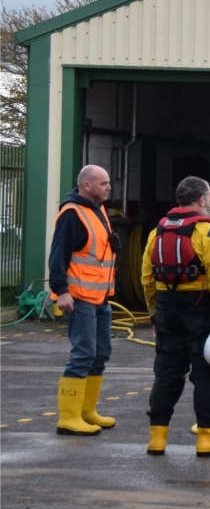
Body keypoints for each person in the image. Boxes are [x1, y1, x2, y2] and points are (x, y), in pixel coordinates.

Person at [141, 176, 210, 457]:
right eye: (209, 199)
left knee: (166, 373)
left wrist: (154, 315)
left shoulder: (156, 233)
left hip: (166, 308)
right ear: (202, 200)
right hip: (201, 309)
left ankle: (157, 439)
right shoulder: (208, 233)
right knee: (207, 375)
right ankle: (207, 438)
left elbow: (147, 279)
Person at [48, 165, 118, 435]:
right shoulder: (72, 214)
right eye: (103, 183)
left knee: (101, 355)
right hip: (79, 298)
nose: (108, 187)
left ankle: (87, 411)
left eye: (108, 182)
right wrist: (61, 290)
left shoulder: (97, 210)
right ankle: (68, 418)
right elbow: (58, 256)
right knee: (83, 354)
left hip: (100, 297)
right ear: (87, 185)